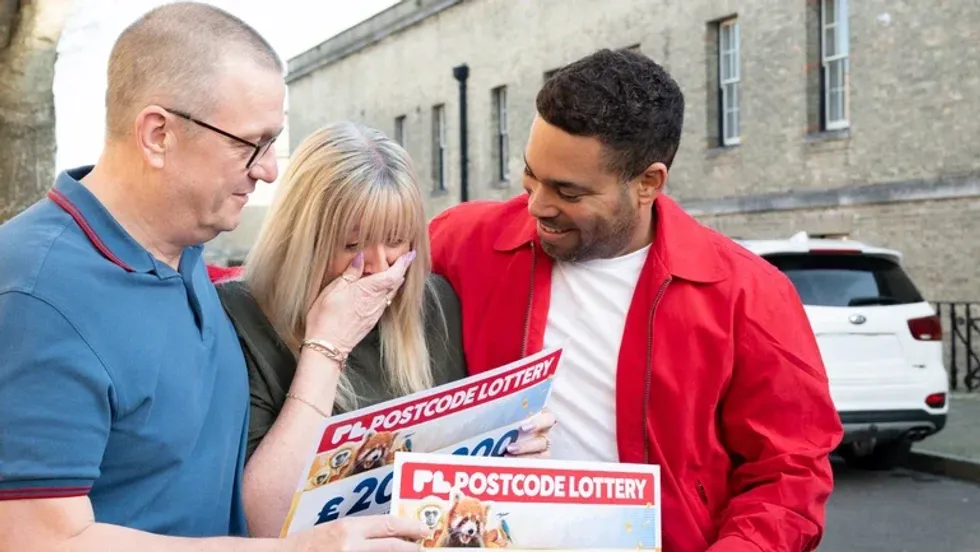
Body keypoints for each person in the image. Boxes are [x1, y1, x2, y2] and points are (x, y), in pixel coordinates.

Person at [0, 3, 428, 551]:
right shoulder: (38, 293)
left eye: (274, 142)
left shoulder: (184, 251)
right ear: (158, 134)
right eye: (250, 143)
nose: (270, 168)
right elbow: (41, 541)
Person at [428, 48, 845, 552]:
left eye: (568, 191)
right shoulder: (461, 240)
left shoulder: (749, 294)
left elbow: (789, 472)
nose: (537, 205)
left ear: (648, 182)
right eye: (530, 176)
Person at [211, 121, 556, 537]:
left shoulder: (436, 303)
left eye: (396, 240)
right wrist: (327, 347)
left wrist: (511, 459)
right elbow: (265, 522)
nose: (378, 265)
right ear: (303, 238)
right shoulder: (238, 315)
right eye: (351, 245)